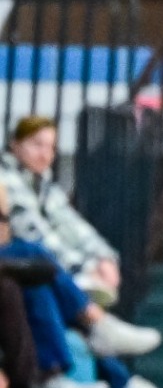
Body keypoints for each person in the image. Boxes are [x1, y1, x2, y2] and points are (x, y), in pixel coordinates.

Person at [0, 175, 163, 388]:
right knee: (32, 254)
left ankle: (69, 372)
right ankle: (99, 328)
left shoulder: (40, 187)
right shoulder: (11, 175)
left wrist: (98, 260)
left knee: (38, 278)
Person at [1, 116, 122, 307]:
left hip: (42, 272)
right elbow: (33, 232)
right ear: (15, 144)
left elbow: (71, 223)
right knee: (37, 265)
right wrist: (83, 268)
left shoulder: (43, 184)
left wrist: (102, 257)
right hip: (19, 266)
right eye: (37, 145)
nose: (45, 154)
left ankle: (95, 323)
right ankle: (95, 322)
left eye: (51, 147)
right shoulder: (6, 179)